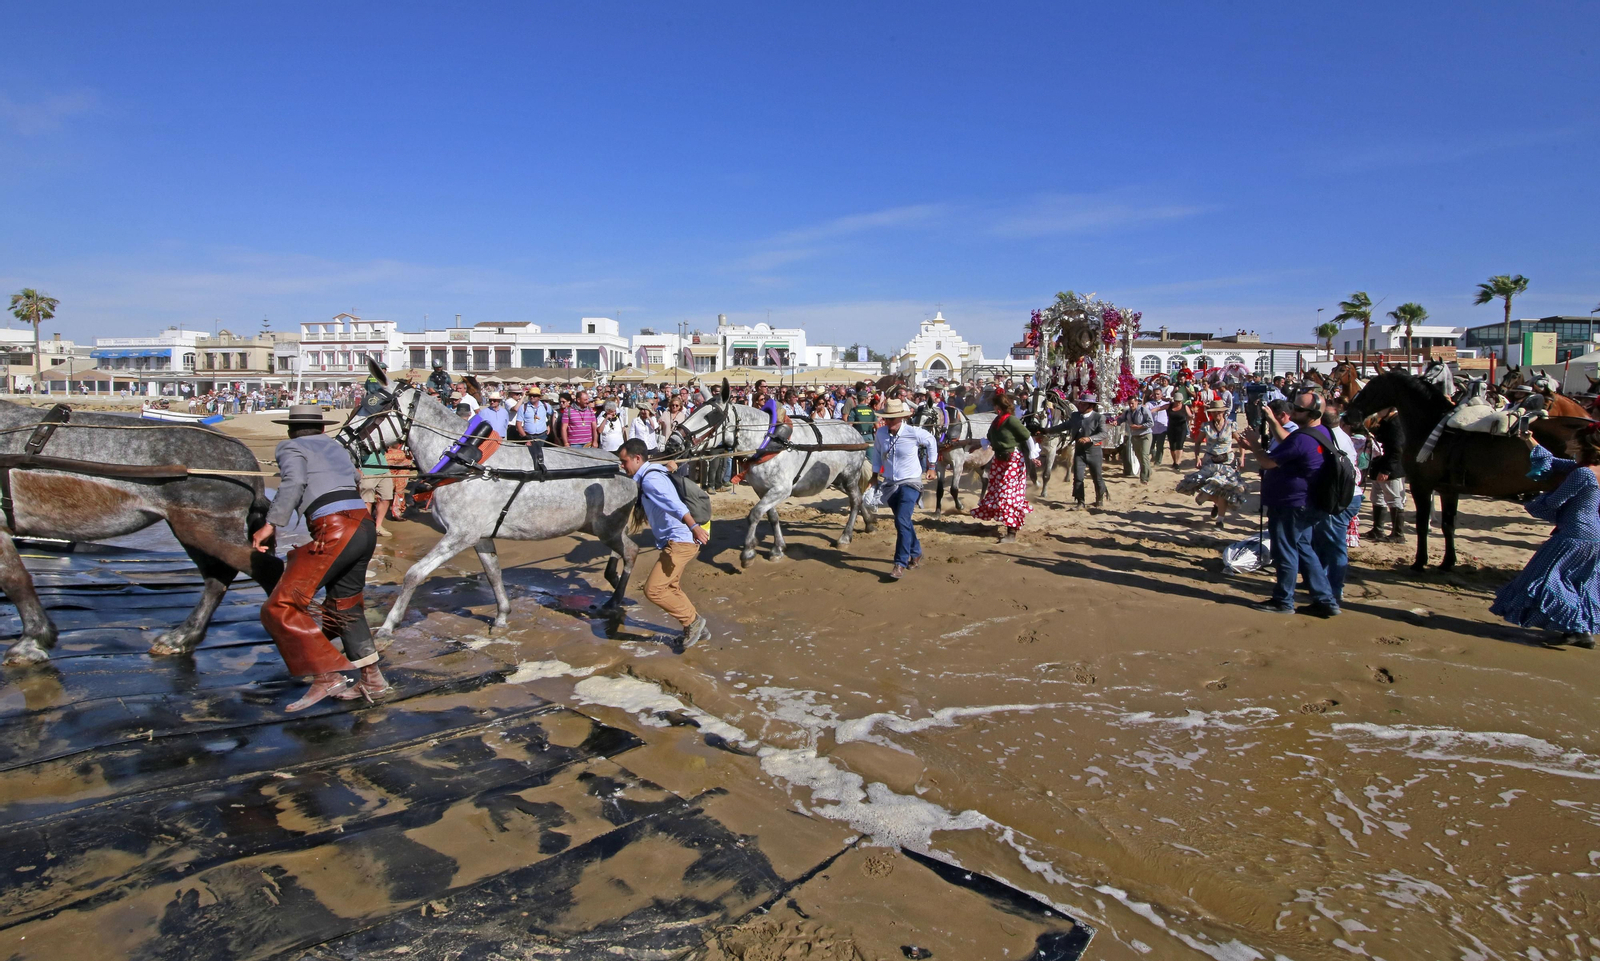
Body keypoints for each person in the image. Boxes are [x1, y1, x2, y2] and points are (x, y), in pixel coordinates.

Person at [251, 406, 387, 711]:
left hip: (335, 528)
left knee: (280, 606)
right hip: (363, 526)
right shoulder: (337, 447)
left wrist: (270, 526)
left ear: (289, 430)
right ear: (322, 429)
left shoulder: (289, 446)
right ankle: (372, 680)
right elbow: (355, 476)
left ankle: (326, 677)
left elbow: (295, 482)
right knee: (345, 605)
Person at [1489, 431, 1600, 648]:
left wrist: (1533, 500)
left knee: (1544, 578)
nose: (1567, 440)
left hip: (1573, 534)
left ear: (1582, 446)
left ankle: (1578, 629)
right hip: (1594, 535)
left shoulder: (1582, 474)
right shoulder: (1589, 470)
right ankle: (1579, 631)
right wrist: (1528, 439)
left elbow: (1555, 501)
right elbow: (1554, 462)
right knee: (1577, 583)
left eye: (1572, 439)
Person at [1239, 390, 1339, 617]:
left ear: (1312, 413)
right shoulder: (1318, 432)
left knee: (1285, 551)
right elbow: (1288, 442)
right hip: (1306, 503)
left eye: (1298, 409)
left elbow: (1267, 462)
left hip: (1291, 504)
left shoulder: (1302, 438)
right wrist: (1273, 422)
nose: (1292, 411)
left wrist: (1254, 444)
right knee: (1304, 549)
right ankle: (1325, 600)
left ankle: (1283, 600)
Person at [619, 438, 710, 652]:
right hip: (677, 539)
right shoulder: (652, 472)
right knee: (670, 587)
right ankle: (698, 627)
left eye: (624, 462)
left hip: (682, 540)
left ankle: (693, 622)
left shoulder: (651, 480)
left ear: (637, 458)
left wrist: (694, 527)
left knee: (654, 590)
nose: (622, 467)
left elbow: (675, 504)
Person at [873, 399, 937, 579]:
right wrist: (873, 476)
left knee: (901, 521)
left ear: (901, 418)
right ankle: (916, 552)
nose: (888, 422)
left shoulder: (913, 432)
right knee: (904, 522)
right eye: (886, 419)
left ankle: (899, 563)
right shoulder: (881, 433)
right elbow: (877, 455)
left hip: (911, 483)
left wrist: (931, 466)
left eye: (892, 419)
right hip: (890, 485)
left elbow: (931, 441)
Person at [1310, 398, 1363, 603]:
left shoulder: (1331, 439)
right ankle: (1323, 583)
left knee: (1334, 545)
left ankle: (1334, 589)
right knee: (1324, 542)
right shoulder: (1341, 435)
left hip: (1340, 498)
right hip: (1345, 495)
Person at [970, 393, 1038, 543]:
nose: (993, 408)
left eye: (995, 405)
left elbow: (1027, 436)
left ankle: (1011, 534)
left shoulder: (1011, 420)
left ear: (1000, 407)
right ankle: (1008, 527)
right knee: (998, 492)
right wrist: (977, 445)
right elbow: (989, 438)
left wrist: (1033, 455)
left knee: (1009, 496)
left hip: (1012, 461)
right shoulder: (996, 421)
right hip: (999, 461)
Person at [1177, 401, 1248, 526]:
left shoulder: (1231, 425)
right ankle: (1217, 504)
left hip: (1227, 462)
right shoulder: (1206, 426)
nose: (1216, 415)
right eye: (1214, 412)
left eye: (1219, 412)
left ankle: (1220, 520)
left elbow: (1241, 442)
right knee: (1204, 489)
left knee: (1223, 488)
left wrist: (1242, 456)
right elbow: (1198, 442)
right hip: (1210, 461)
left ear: (1224, 412)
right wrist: (1197, 457)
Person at [1366, 406, 1407, 542]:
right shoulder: (1386, 421)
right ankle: (1378, 529)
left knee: (1394, 499)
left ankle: (1398, 534)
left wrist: (1386, 470)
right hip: (1379, 466)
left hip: (1391, 469)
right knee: (1377, 496)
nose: (1378, 410)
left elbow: (1397, 450)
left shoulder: (1396, 423)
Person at [1064, 392, 1109, 510]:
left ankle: (1099, 498)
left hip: (1094, 451)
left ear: (1090, 406)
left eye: (1083, 404)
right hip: (1079, 452)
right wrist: (1047, 431)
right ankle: (1080, 501)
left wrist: (1090, 438)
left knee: (1097, 477)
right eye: (1080, 403)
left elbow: (1104, 433)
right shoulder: (1075, 416)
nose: (1080, 406)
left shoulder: (1099, 417)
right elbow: (1065, 425)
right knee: (1078, 477)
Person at [358, 444, 395, 538]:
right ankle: (366, 528)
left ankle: (378, 526)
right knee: (367, 501)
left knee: (386, 498)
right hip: (367, 471)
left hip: (384, 470)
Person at [1125, 393, 1155, 484]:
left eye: (1132, 403)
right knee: (1139, 456)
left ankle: (1144, 478)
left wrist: (1140, 426)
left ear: (1137, 402)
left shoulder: (1144, 410)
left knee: (1144, 455)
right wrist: (1115, 421)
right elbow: (1121, 419)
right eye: (1129, 404)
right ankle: (1148, 471)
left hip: (1145, 435)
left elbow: (1151, 423)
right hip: (1135, 436)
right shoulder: (1127, 412)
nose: (1131, 405)